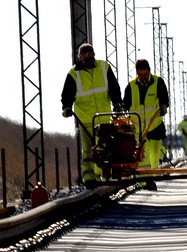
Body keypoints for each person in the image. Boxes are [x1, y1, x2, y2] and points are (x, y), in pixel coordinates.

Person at [60, 43, 123, 188]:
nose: (88, 58)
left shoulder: (104, 67)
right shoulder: (74, 73)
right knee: (88, 150)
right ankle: (89, 178)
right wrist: (66, 107)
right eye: (85, 55)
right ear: (79, 57)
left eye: (90, 55)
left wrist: (117, 103)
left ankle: (106, 175)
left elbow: (114, 88)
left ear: (94, 54)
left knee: (106, 148)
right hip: (85, 119)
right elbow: (67, 93)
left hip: (103, 117)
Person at [122, 59, 170, 188]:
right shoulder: (131, 86)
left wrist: (163, 107)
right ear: (137, 73)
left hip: (154, 124)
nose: (143, 78)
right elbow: (125, 104)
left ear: (149, 71)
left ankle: (152, 175)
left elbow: (164, 98)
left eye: (145, 74)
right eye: (140, 75)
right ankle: (146, 180)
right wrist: (121, 110)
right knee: (143, 153)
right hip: (138, 127)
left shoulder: (158, 82)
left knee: (154, 152)